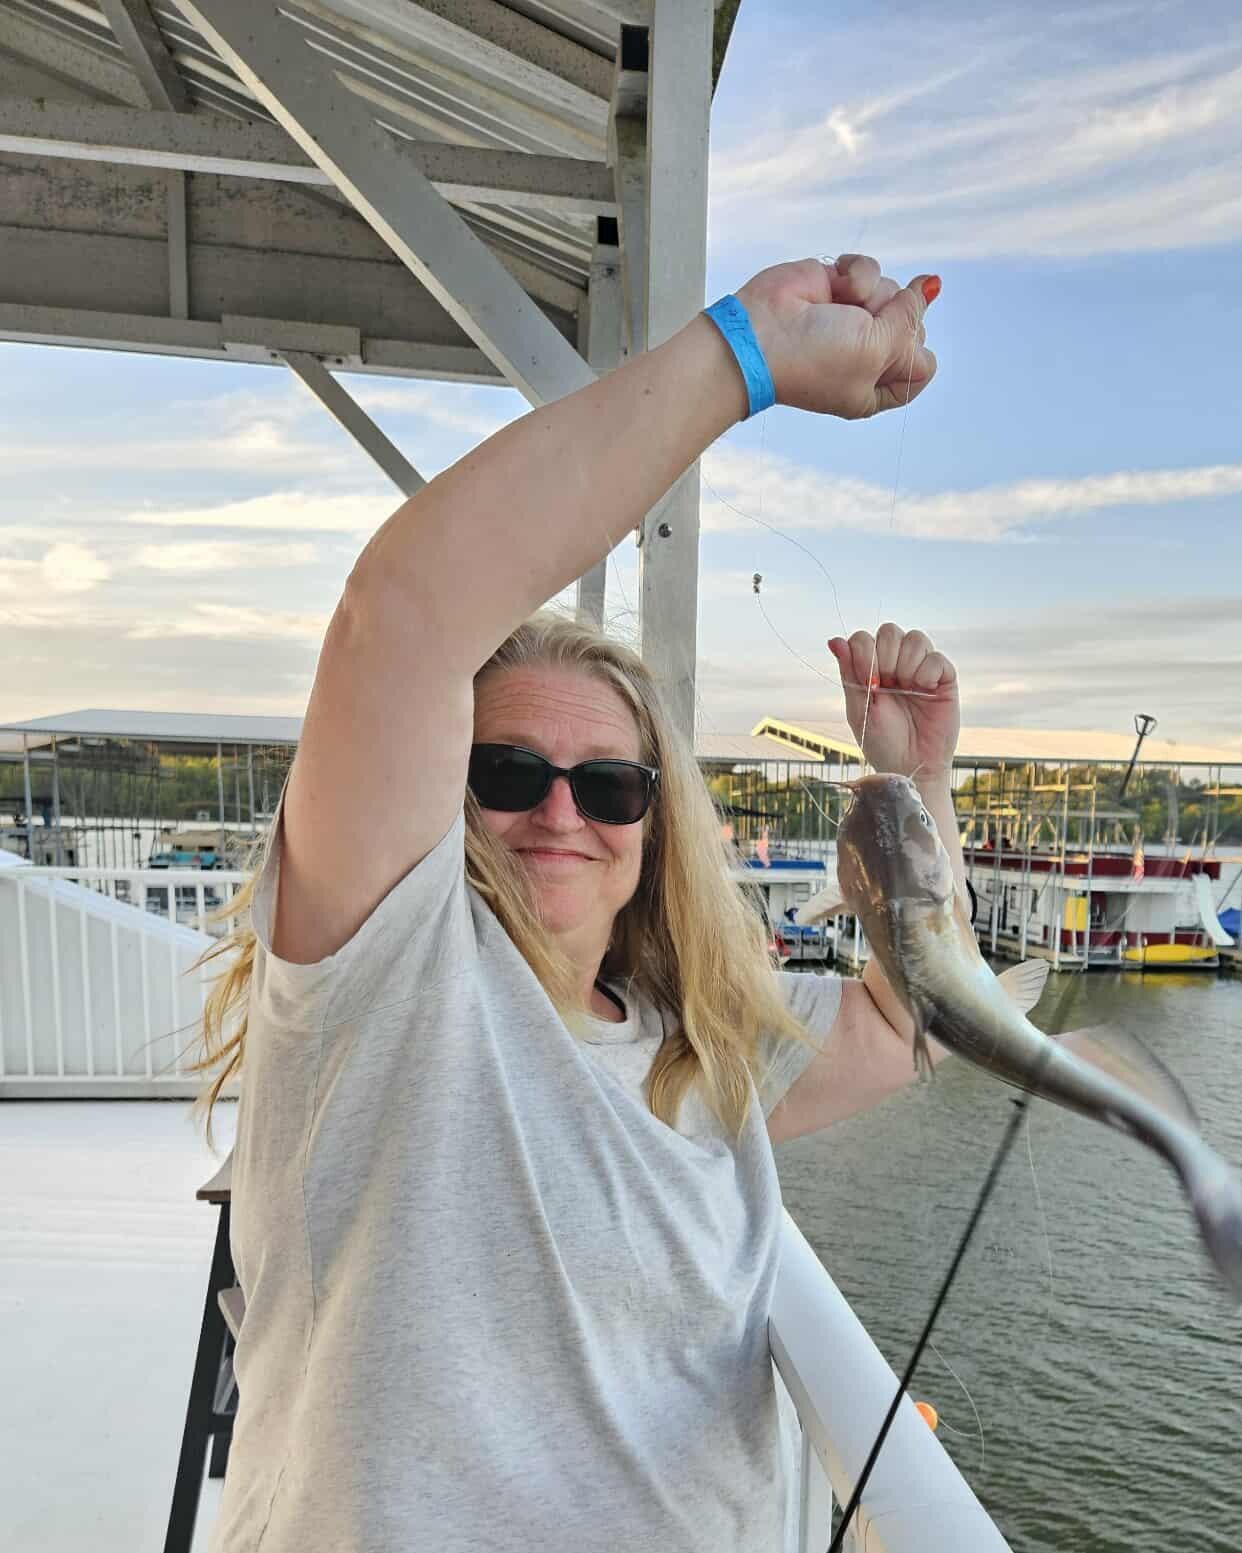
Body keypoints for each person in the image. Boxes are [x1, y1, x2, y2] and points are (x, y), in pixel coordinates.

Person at [190, 256, 969, 1553]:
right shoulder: (384, 980)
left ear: (655, 825)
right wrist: (745, 356)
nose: (561, 812)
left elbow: (911, 1022)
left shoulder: (695, 1039)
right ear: (441, 790)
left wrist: (914, 781)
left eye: (610, 783)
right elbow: (403, 613)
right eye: (507, 771)